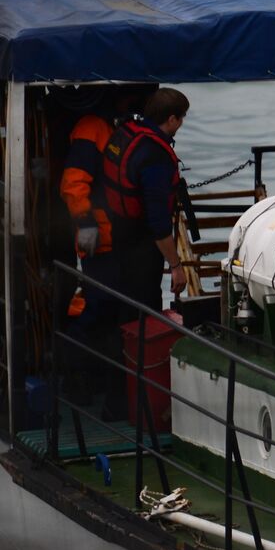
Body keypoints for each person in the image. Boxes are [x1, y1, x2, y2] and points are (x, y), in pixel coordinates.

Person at [61, 88, 189, 416]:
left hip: (119, 242)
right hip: (102, 240)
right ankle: (81, 382)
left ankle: (111, 389)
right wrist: (86, 224)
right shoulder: (94, 129)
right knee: (96, 310)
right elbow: (74, 183)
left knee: (115, 314)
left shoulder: (122, 131)